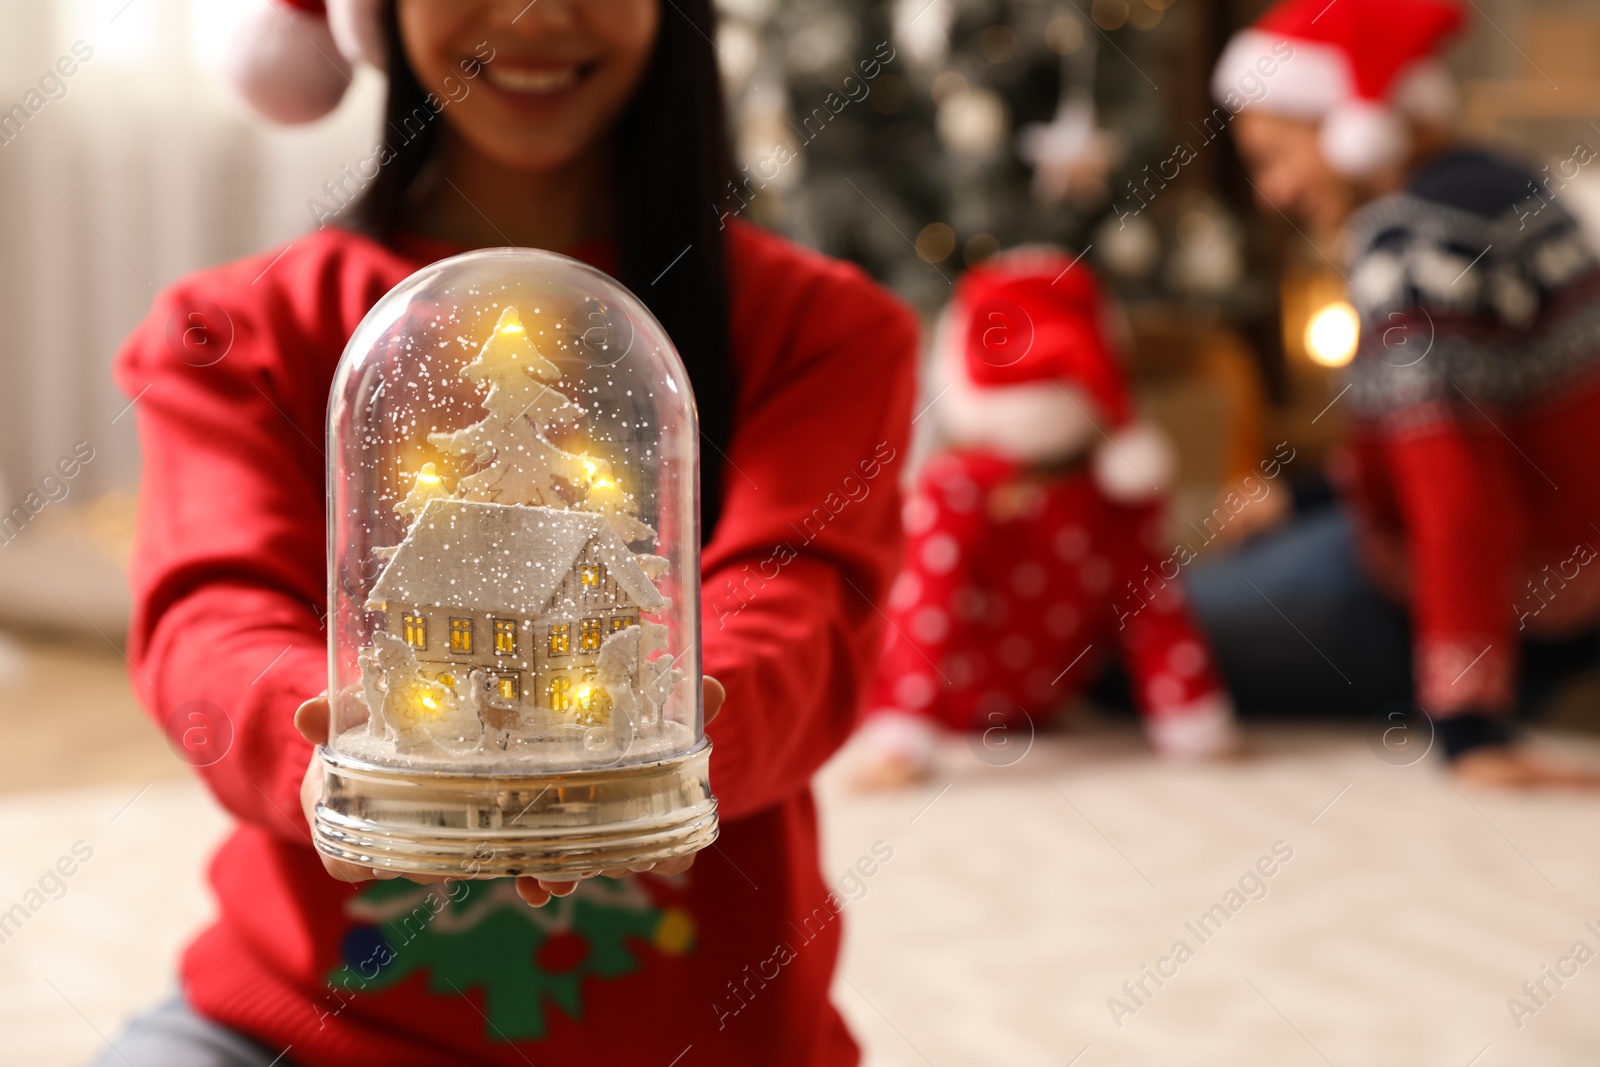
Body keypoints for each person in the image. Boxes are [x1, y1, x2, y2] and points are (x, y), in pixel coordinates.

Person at [104, 0, 917, 1063]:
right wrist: (326, 742)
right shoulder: (235, 333)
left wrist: (666, 724)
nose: (537, 14)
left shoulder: (820, 329)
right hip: (291, 1029)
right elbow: (211, 611)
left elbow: (802, 596)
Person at [1195, 0, 1600, 787]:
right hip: (1571, 583)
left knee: (1136, 629)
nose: (1274, 191)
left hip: (1489, 606)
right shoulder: (1516, 185)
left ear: (1351, 125)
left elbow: (1454, 487)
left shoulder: (1409, 244)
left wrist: (1469, 719)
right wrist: (1299, 499)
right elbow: (1472, 435)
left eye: (1276, 154)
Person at [853, 248, 1241, 787]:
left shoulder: (1115, 494)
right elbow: (927, 609)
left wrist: (1192, 716)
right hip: (945, 709)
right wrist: (901, 736)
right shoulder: (955, 489)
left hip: (1047, 707)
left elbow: (1152, 604)